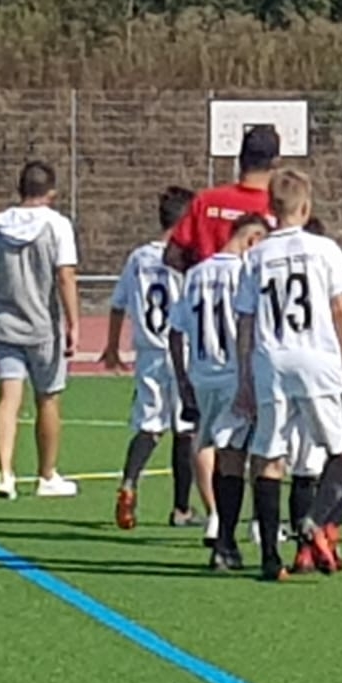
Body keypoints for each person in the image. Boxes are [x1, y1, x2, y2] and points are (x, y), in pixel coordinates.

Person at [233, 170, 342, 582]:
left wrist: (245, 376)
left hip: (272, 359)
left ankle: (271, 558)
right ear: (306, 207)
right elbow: (340, 307)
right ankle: (313, 521)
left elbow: (246, 320)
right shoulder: (324, 249)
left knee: (270, 458)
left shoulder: (257, 255)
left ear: (270, 208)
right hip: (317, 358)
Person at [103, 186, 209, 535]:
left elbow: (117, 304)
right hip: (182, 351)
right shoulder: (188, 258)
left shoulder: (138, 258)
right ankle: (181, 508)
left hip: (148, 353)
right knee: (186, 429)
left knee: (149, 425)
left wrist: (112, 346)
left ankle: (129, 482)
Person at [169, 212, 268, 570]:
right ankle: (246, 529)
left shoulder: (196, 274)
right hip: (235, 373)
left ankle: (218, 523)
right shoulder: (244, 272)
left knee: (212, 446)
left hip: (202, 374)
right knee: (250, 452)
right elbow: (251, 323)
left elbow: (175, 331)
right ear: (252, 240)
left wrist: (183, 380)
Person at [0, 161, 80, 499]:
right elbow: (65, 276)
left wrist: (6, 293)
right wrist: (73, 322)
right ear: (51, 192)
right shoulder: (57, 225)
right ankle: (46, 475)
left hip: (6, 323)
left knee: (7, 399)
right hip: (43, 326)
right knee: (47, 398)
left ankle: (5, 474)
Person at [285, 214, 342, 573]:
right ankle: (328, 531)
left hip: (298, 375)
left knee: (304, 466)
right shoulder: (338, 286)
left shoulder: (282, 278)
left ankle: (303, 550)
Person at [166, 125, 279, 271]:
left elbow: (172, 256)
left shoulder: (205, 200)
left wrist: (199, 272)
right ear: (276, 162)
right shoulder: (278, 208)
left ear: (241, 158)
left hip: (207, 283)